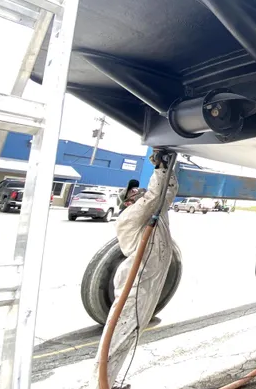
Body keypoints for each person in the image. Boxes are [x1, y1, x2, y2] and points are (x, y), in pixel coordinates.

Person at [88, 157, 177, 389]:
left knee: (130, 333)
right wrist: (159, 167)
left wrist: (168, 167)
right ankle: (100, 384)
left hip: (151, 282)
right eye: (133, 192)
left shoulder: (155, 213)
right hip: (136, 284)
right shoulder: (130, 216)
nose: (138, 191)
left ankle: (108, 381)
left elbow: (166, 192)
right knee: (118, 336)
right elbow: (154, 197)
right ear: (127, 202)